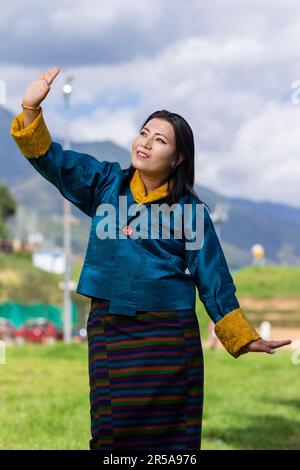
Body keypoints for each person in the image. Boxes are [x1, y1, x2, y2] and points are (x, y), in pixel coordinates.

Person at [10, 66, 292, 451]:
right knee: (111, 437)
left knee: (172, 441)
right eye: (144, 133)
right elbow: (54, 162)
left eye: (159, 140)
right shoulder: (105, 182)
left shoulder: (192, 212)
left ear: (177, 158)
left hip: (169, 337)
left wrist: (244, 337)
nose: (145, 143)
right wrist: (29, 109)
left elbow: (213, 277)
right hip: (112, 331)